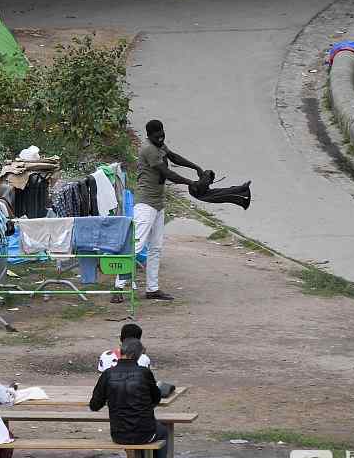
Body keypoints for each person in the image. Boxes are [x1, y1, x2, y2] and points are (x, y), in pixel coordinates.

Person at [116, 119, 201, 302]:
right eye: (157, 135)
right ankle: (118, 287)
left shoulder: (160, 144)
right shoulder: (148, 149)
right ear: (149, 136)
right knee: (136, 246)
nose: (161, 137)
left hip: (158, 204)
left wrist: (196, 168)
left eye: (162, 133)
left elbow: (174, 158)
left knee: (156, 248)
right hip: (145, 204)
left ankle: (152, 289)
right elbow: (167, 173)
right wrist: (191, 183)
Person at [89, 337, 170, 458]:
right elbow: (156, 399)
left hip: (119, 435)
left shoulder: (108, 374)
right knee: (163, 431)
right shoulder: (144, 373)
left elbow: (94, 406)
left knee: (153, 431)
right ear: (135, 355)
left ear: (121, 352)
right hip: (145, 433)